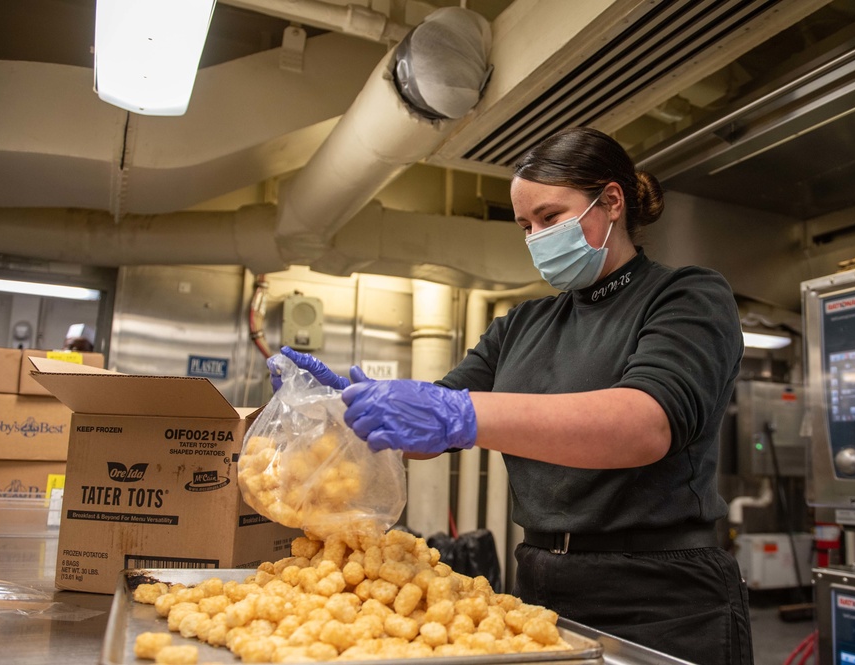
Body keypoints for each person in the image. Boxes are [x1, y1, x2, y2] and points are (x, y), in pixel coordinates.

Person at [268, 126, 752, 664]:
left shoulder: (686, 295)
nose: (536, 237)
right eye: (526, 225)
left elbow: (644, 425)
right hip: (543, 586)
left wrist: (459, 413)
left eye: (550, 217)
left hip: (663, 597)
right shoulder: (524, 323)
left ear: (611, 201)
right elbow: (429, 430)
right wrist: (340, 409)